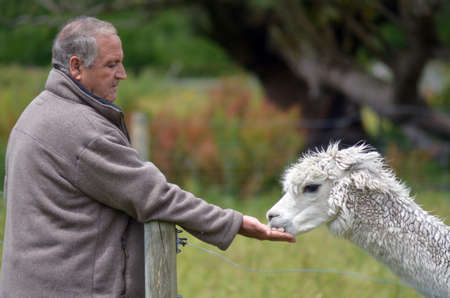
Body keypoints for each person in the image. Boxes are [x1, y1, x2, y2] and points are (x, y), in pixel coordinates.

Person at [0, 16, 295, 298]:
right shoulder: (83, 131)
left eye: (122, 62)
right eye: (111, 64)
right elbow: (154, 196)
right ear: (76, 67)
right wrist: (236, 223)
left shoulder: (36, 113)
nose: (122, 74)